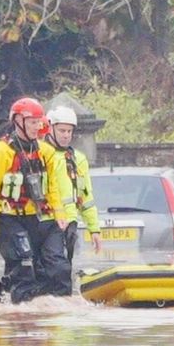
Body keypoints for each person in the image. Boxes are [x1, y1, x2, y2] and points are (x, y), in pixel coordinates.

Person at [0, 97, 71, 304]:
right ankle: (19, 310)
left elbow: (52, 187)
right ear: (18, 121)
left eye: (39, 122)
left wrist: (60, 213)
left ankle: (59, 308)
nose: (37, 127)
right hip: (10, 218)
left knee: (58, 266)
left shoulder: (46, 152)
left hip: (40, 217)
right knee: (23, 263)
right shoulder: (1, 152)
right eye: (32, 122)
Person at [45, 105, 102, 263]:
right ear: (50, 128)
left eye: (69, 131)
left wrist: (94, 229)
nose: (66, 135)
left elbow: (85, 196)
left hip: (69, 223)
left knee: (64, 268)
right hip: (46, 221)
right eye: (62, 131)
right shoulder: (42, 155)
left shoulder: (78, 159)